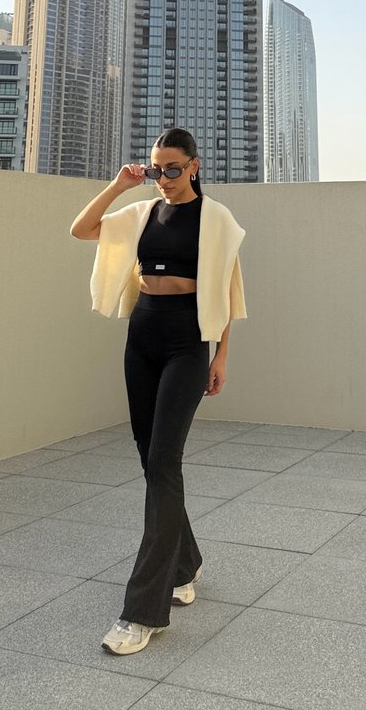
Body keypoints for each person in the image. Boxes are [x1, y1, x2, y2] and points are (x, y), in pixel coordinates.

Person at [69, 127, 247, 655]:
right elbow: (82, 229)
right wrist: (120, 184)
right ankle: (186, 561)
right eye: (156, 169)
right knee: (151, 459)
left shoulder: (216, 220)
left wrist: (221, 355)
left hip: (188, 341)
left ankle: (144, 610)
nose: (164, 179)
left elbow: (229, 288)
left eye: (173, 169)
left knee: (166, 460)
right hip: (143, 333)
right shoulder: (143, 211)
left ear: (194, 166)